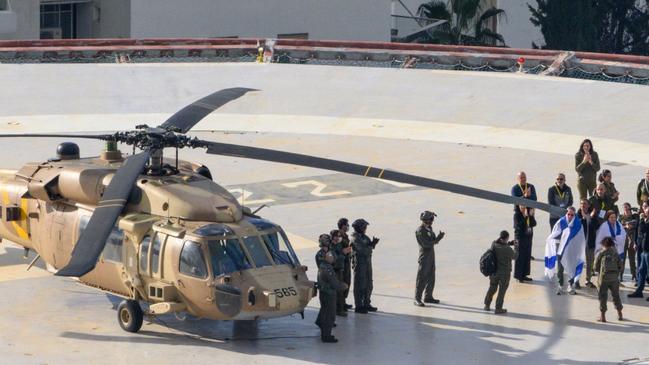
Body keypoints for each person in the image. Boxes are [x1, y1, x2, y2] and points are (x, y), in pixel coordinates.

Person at [545, 207, 585, 295]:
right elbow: (555, 232)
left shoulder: (578, 223)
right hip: (561, 249)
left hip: (572, 250)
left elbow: (580, 237)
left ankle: (570, 285)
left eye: (572, 215)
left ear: (574, 215)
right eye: (568, 214)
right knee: (560, 268)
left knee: (571, 267)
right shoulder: (561, 221)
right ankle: (560, 285)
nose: (570, 216)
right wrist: (551, 238)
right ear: (566, 214)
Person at [414, 211, 445, 306]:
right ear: (426, 220)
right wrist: (436, 240)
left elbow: (432, 240)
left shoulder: (429, 228)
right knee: (422, 277)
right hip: (424, 257)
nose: (432, 221)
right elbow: (425, 244)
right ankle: (417, 298)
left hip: (431, 256)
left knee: (431, 277)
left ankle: (428, 296)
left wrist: (438, 238)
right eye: (431, 219)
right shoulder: (420, 231)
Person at [316, 251, 348, 343]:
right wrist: (343, 286)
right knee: (329, 315)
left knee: (325, 312)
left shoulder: (323, 266)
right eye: (333, 258)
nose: (334, 260)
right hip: (329, 294)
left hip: (324, 293)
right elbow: (334, 284)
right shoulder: (328, 269)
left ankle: (322, 327)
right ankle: (326, 336)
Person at [484, 230, 518, 314]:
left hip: (494, 272)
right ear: (506, 238)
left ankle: (487, 305)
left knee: (492, 288)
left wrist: (509, 243)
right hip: (504, 273)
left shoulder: (494, 244)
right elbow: (515, 256)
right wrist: (516, 247)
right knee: (502, 291)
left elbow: (501, 244)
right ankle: (498, 308)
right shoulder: (507, 249)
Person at [511, 171, 537, 279]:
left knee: (527, 249)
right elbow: (515, 200)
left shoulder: (531, 186)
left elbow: (534, 198)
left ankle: (525, 274)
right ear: (518, 178)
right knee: (519, 249)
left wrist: (526, 198)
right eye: (521, 177)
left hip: (529, 217)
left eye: (524, 177)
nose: (523, 179)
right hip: (519, 217)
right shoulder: (515, 188)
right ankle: (518, 275)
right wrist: (525, 196)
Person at [351, 218, 379, 313]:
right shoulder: (355, 238)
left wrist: (372, 244)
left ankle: (367, 303)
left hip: (367, 263)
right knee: (360, 284)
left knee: (369, 284)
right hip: (360, 264)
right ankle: (359, 305)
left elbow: (368, 248)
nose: (365, 228)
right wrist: (371, 246)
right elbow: (363, 251)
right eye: (364, 227)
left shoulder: (364, 237)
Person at [594, 237, 623, 322]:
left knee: (603, 297)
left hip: (603, 278)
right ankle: (620, 314)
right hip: (614, 278)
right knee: (616, 296)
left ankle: (603, 316)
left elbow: (595, 267)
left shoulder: (601, 253)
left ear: (603, 244)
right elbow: (621, 266)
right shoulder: (615, 253)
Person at [628, 202, 649, 299]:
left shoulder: (643, 220)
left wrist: (642, 220)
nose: (643, 209)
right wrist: (635, 243)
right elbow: (637, 231)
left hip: (648, 250)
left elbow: (645, 230)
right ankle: (639, 291)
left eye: (645, 207)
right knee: (641, 270)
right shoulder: (641, 219)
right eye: (643, 207)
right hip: (642, 249)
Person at [330, 229, 351, 316]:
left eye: (339, 236)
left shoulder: (339, 244)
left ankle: (341, 307)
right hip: (334, 270)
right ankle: (337, 309)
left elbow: (347, 248)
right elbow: (333, 258)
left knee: (341, 291)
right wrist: (342, 253)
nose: (338, 238)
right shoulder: (331, 246)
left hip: (341, 269)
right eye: (336, 236)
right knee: (336, 291)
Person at [577, 199, 598, 288]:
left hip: (590, 242)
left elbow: (595, 226)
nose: (583, 205)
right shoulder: (577, 215)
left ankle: (587, 280)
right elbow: (577, 225)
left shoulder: (593, 215)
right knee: (578, 263)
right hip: (579, 243)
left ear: (589, 205)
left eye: (585, 204)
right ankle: (576, 281)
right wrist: (585, 218)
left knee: (590, 263)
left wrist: (590, 217)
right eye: (581, 204)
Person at [619, 202, 638, 282]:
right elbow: (618, 226)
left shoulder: (634, 216)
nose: (625, 209)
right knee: (622, 259)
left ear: (630, 208)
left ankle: (634, 275)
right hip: (623, 241)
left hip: (631, 241)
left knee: (632, 259)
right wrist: (625, 226)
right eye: (624, 207)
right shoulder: (620, 217)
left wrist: (630, 225)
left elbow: (637, 223)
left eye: (627, 207)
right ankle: (621, 276)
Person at [337, 218, 353, 310]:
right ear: (342, 225)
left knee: (347, 281)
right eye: (346, 225)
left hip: (346, 262)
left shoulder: (345, 235)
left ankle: (343, 301)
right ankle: (340, 303)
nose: (347, 227)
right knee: (342, 282)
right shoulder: (339, 236)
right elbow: (338, 249)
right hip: (342, 263)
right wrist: (344, 252)